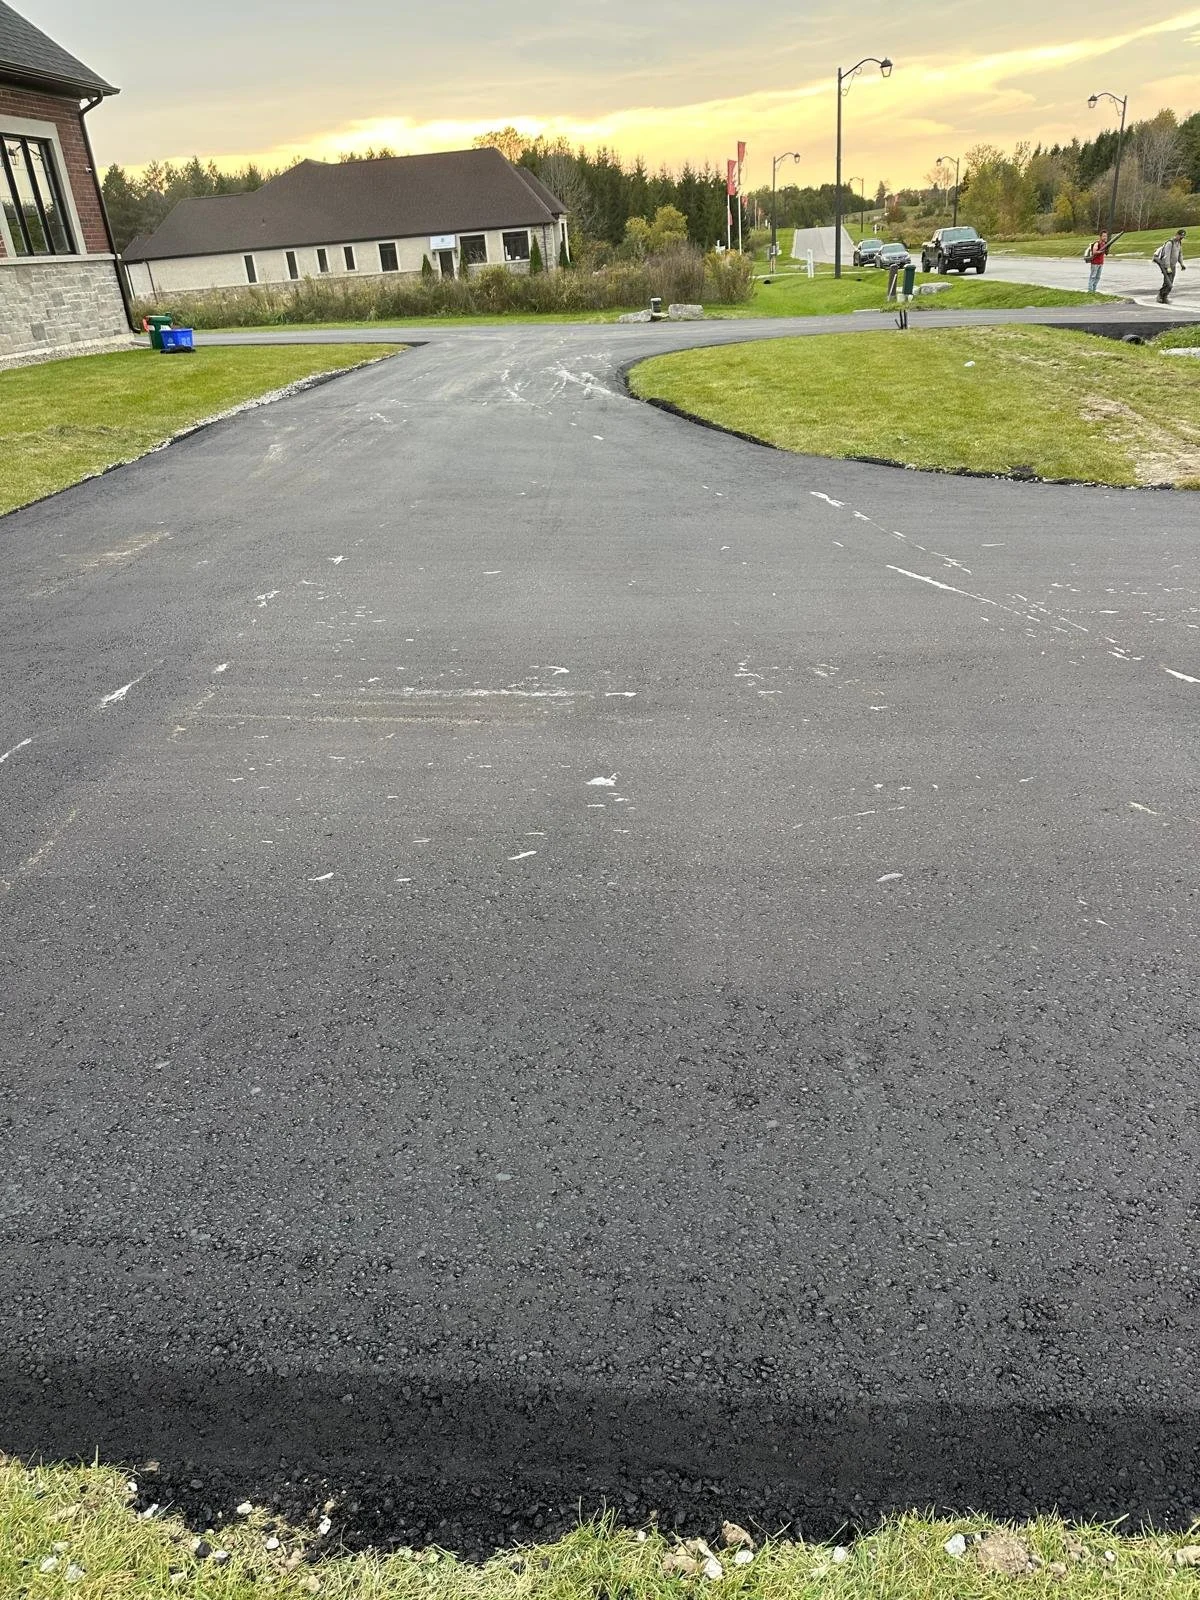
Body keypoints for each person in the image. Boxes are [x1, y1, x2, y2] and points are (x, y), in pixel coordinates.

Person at [1085, 228, 1124, 293]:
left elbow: (1106, 253)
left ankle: (1094, 290)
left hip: (1101, 263)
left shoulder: (1105, 244)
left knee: (1098, 277)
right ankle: (1090, 290)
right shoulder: (1097, 243)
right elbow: (1094, 252)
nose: (1105, 237)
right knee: (1093, 276)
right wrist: (1100, 251)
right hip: (1095, 263)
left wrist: (1107, 249)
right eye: (1104, 236)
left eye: (1106, 236)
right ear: (1100, 236)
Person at [1154, 229, 1187, 303]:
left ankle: (1164, 297)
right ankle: (1160, 296)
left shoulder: (1179, 243)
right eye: (1181, 236)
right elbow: (1167, 256)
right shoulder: (1170, 243)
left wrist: (1182, 264)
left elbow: (1180, 254)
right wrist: (1168, 267)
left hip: (1173, 265)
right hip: (1165, 265)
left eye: (1183, 237)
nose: (1181, 238)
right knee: (1169, 284)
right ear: (1177, 235)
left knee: (1170, 282)